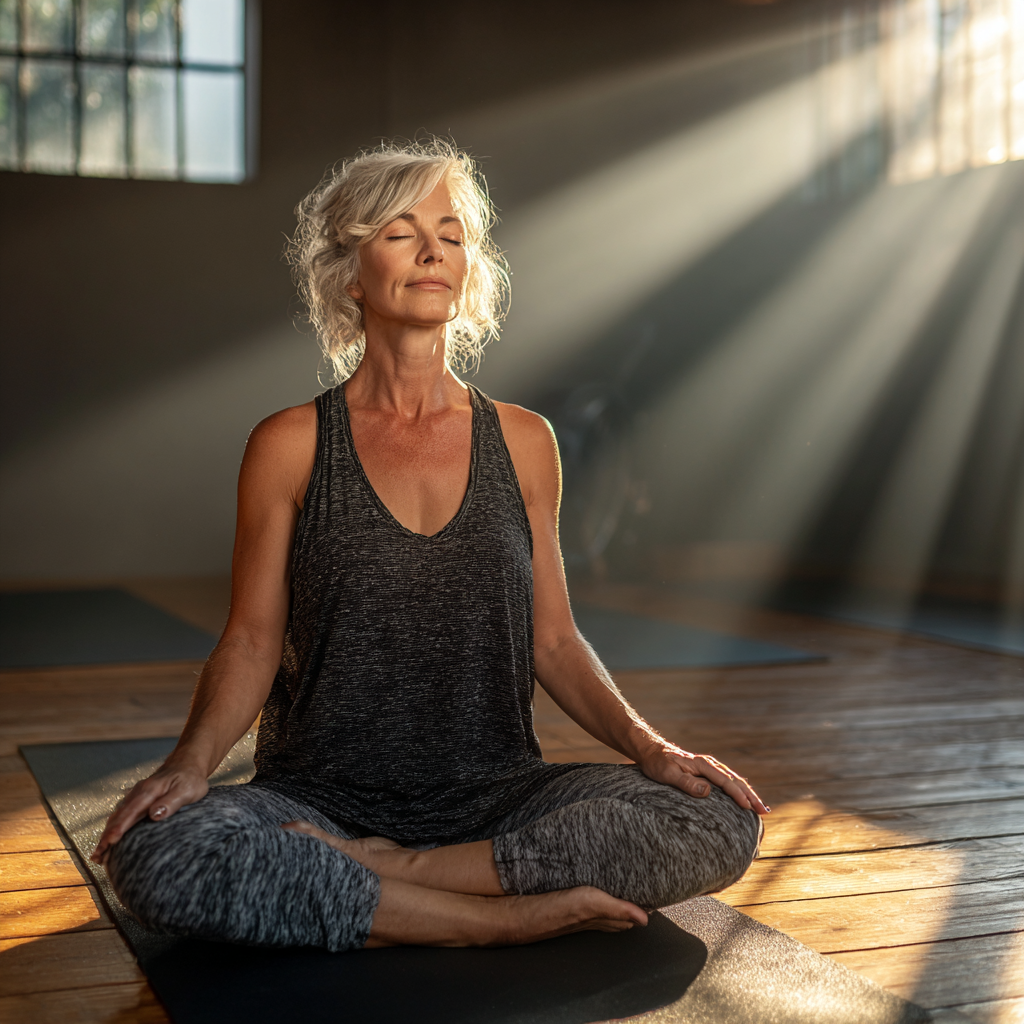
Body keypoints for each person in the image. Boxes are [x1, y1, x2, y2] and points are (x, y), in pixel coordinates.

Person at [93, 140, 767, 952]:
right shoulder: (291, 445)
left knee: (717, 818)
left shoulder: (524, 442)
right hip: (316, 798)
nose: (432, 251)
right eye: (401, 232)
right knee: (156, 853)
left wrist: (651, 749)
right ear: (351, 270)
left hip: (496, 798)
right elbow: (250, 640)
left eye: (450, 234)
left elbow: (553, 639)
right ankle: (495, 918)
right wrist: (191, 764)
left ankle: (386, 878)